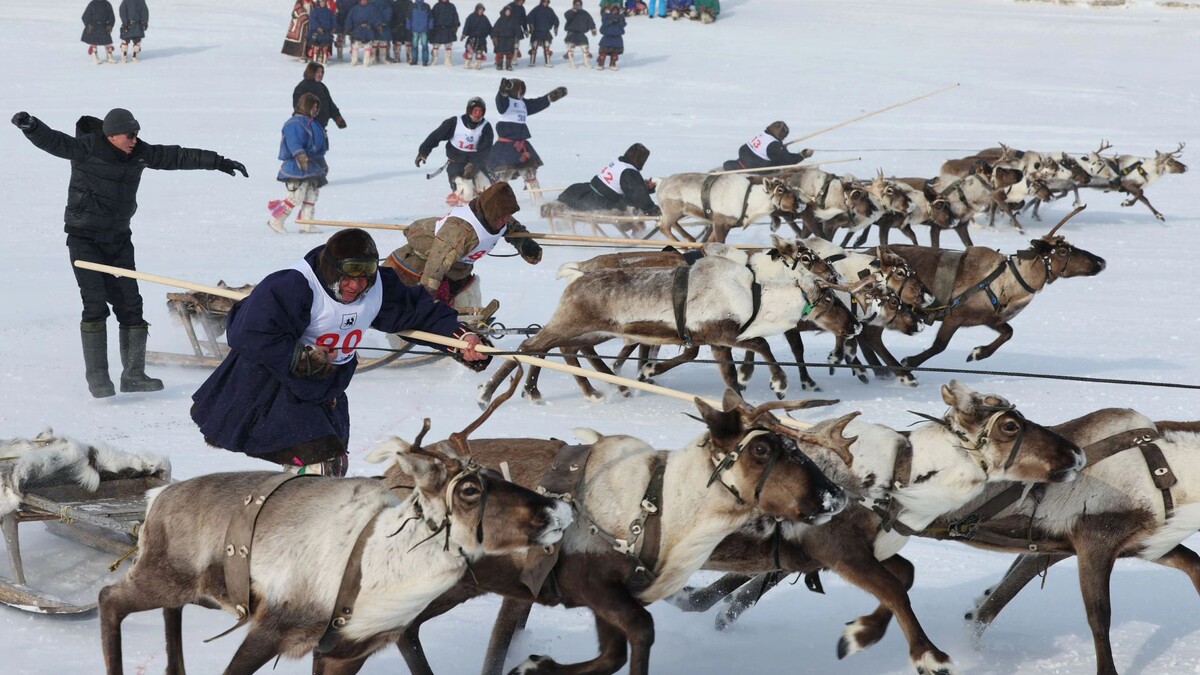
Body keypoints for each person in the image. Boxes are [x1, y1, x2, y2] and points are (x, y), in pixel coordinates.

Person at [191, 228, 490, 477]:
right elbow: (248, 332)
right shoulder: (293, 285)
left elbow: (420, 313)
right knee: (318, 465)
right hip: (276, 388)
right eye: (348, 275)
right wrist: (301, 358)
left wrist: (461, 340)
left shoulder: (379, 287)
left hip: (328, 389)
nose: (357, 285)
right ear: (332, 267)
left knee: (332, 467)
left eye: (365, 275)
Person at [11, 108, 247, 398]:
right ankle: (98, 377)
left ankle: (133, 374)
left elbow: (176, 156)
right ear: (111, 135)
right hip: (84, 239)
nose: (135, 139)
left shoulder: (139, 152)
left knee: (131, 305)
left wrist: (219, 162)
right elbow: (54, 141)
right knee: (95, 304)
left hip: (119, 239)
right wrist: (32, 127)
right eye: (130, 135)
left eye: (137, 133)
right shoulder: (86, 148)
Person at [383, 182, 541, 311]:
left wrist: (526, 244)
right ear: (491, 212)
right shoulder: (461, 231)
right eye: (502, 216)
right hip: (418, 265)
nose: (506, 220)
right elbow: (437, 262)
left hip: (455, 270)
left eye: (507, 215)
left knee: (464, 286)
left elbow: (513, 227)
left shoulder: (497, 218)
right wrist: (427, 294)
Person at [485, 78, 567, 194]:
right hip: (506, 146)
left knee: (529, 172)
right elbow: (500, 102)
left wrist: (549, 98)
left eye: (522, 90)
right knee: (503, 175)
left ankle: (537, 198)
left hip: (521, 144)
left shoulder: (523, 103)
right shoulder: (506, 102)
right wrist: (502, 91)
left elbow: (536, 103)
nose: (520, 92)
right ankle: (496, 199)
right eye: (518, 89)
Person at [417, 97, 494, 206]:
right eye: (475, 111)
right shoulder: (454, 122)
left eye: (481, 111)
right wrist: (423, 152)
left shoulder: (485, 127)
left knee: (488, 190)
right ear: (469, 110)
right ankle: (464, 210)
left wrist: (474, 164)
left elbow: (486, 150)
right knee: (465, 191)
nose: (478, 114)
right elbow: (436, 136)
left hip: (476, 164)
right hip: (456, 163)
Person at [269, 93, 328, 234]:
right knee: (296, 196)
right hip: (296, 166)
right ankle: (276, 221)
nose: (315, 109)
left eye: (316, 107)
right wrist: (300, 156)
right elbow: (293, 142)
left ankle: (306, 223)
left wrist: (321, 162)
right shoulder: (294, 123)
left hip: (313, 167)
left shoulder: (314, 123)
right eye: (312, 106)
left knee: (312, 194)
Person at [555, 143, 660, 218]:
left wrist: (646, 188)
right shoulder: (629, 171)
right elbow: (637, 194)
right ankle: (635, 228)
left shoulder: (618, 162)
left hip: (587, 193)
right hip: (603, 202)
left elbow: (629, 186)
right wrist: (651, 209)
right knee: (632, 204)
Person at [721, 121, 814, 172]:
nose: (784, 138)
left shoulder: (763, 134)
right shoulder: (774, 145)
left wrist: (781, 149)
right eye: (783, 136)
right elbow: (787, 160)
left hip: (744, 158)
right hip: (755, 166)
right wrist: (802, 155)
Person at [562, 0, 596, 69]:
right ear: (574, 4)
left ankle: (586, 63)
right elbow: (566, 16)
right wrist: (572, 11)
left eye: (579, 4)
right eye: (576, 4)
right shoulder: (570, 12)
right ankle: (572, 63)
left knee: (585, 48)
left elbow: (590, 21)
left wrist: (593, 29)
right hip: (572, 34)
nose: (578, 5)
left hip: (581, 34)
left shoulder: (585, 13)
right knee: (571, 49)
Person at [344, 0, 379, 66]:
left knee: (367, 47)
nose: (363, 1)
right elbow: (349, 18)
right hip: (357, 30)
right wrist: (348, 27)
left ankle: (366, 62)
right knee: (355, 46)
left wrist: (377, 25)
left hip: (368, 30)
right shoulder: (354, 9)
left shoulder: (372, 9)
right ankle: (354, 61)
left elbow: (376, 19)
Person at [82, 0, 116, 65]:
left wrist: (110, 25)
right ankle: (94, 56)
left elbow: (112, 16)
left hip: (104, 26)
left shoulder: (107, 4)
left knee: (108, 43)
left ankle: (109, 56)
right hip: (93, 26)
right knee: (94, 43)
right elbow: (85, 16)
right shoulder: (92, 3)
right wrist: (88, 25)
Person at [526, 0, 559, 67]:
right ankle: (532, 61)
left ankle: (547, 62)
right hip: (536, 31)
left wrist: (556, 26)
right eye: (544, 2)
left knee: (547, 47)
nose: (545, 3)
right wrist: (531, 26)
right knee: (534, 47)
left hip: (546, 32)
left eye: (547, 2)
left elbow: (555, 19)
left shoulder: (550, 10)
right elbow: (529, 17)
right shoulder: (537, 9)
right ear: (542, 2)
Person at [460, 3, 491, 70]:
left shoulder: (485, 18)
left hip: (481, 39)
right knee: (469, 52)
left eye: (482, 10)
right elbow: (466, 26)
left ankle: (478, 65)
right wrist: (464, 34)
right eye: (480, 10)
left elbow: (489, 28)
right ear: (477, 9)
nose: (481, 11)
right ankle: (467, 63)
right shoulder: (471, 17)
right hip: (472, 38)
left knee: (479, 53)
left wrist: (493, 36)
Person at [430, 0, 460, 66]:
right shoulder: (436, 6)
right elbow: (432, 17)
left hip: (448, 29)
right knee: (436, 45)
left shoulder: (452, 6)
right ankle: (434, 60)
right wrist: (432, 28)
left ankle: (447, 60)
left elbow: (455, 17)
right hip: (438, 29)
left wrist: (455, 27)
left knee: (448, 45)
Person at [490, 5, 521, 71]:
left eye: (509, 11)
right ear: (504, 12)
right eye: (506, 11)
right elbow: (495, 29)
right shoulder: (500, 20)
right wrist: (494, 37)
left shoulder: (514, 20)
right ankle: (499, 64)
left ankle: (508, 65)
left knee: (509, 53)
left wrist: (517, 37)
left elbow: (517, 29)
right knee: (499, 53)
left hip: (510, 39)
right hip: (501, 39)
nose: (507, 13)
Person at [597, 4, 625, 71]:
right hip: (607, 37)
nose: (615, 11)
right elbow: (602, 27)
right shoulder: (606, 16)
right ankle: (601, 62)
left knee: (615, 53)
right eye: (614, 9)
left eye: (616, 10)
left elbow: (623, 25)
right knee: (603, 52)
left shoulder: (620, 17)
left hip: (617, 38)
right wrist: (610, 21)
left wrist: (621, 18)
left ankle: (613, 63)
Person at [407, 0, 432, 65]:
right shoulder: (412, 6)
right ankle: (414, 60)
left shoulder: (427, 6)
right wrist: (408, 26)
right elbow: (408, 17)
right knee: (414, 46)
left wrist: (430, 26)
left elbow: (431, 17)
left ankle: (425, 61)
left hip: (424, 29)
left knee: (424, 46)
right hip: (414, 29)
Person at [370, 0, 393, 65]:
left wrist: (380, 23)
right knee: (376, 42)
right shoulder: (386, 4)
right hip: (377, 26)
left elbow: (388, 13)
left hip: (380, 26)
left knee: (382, 42)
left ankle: (381, 57)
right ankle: (375, 57)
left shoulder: (386, 4)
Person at [390, 0, 414, 64]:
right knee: (397, 42)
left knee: (408, 42)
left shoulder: (410, 3)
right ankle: (396, 58)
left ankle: (409, 58)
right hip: (397, 25)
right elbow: (392, 15)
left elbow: (412, 14)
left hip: (407, 25)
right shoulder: (395, 3)